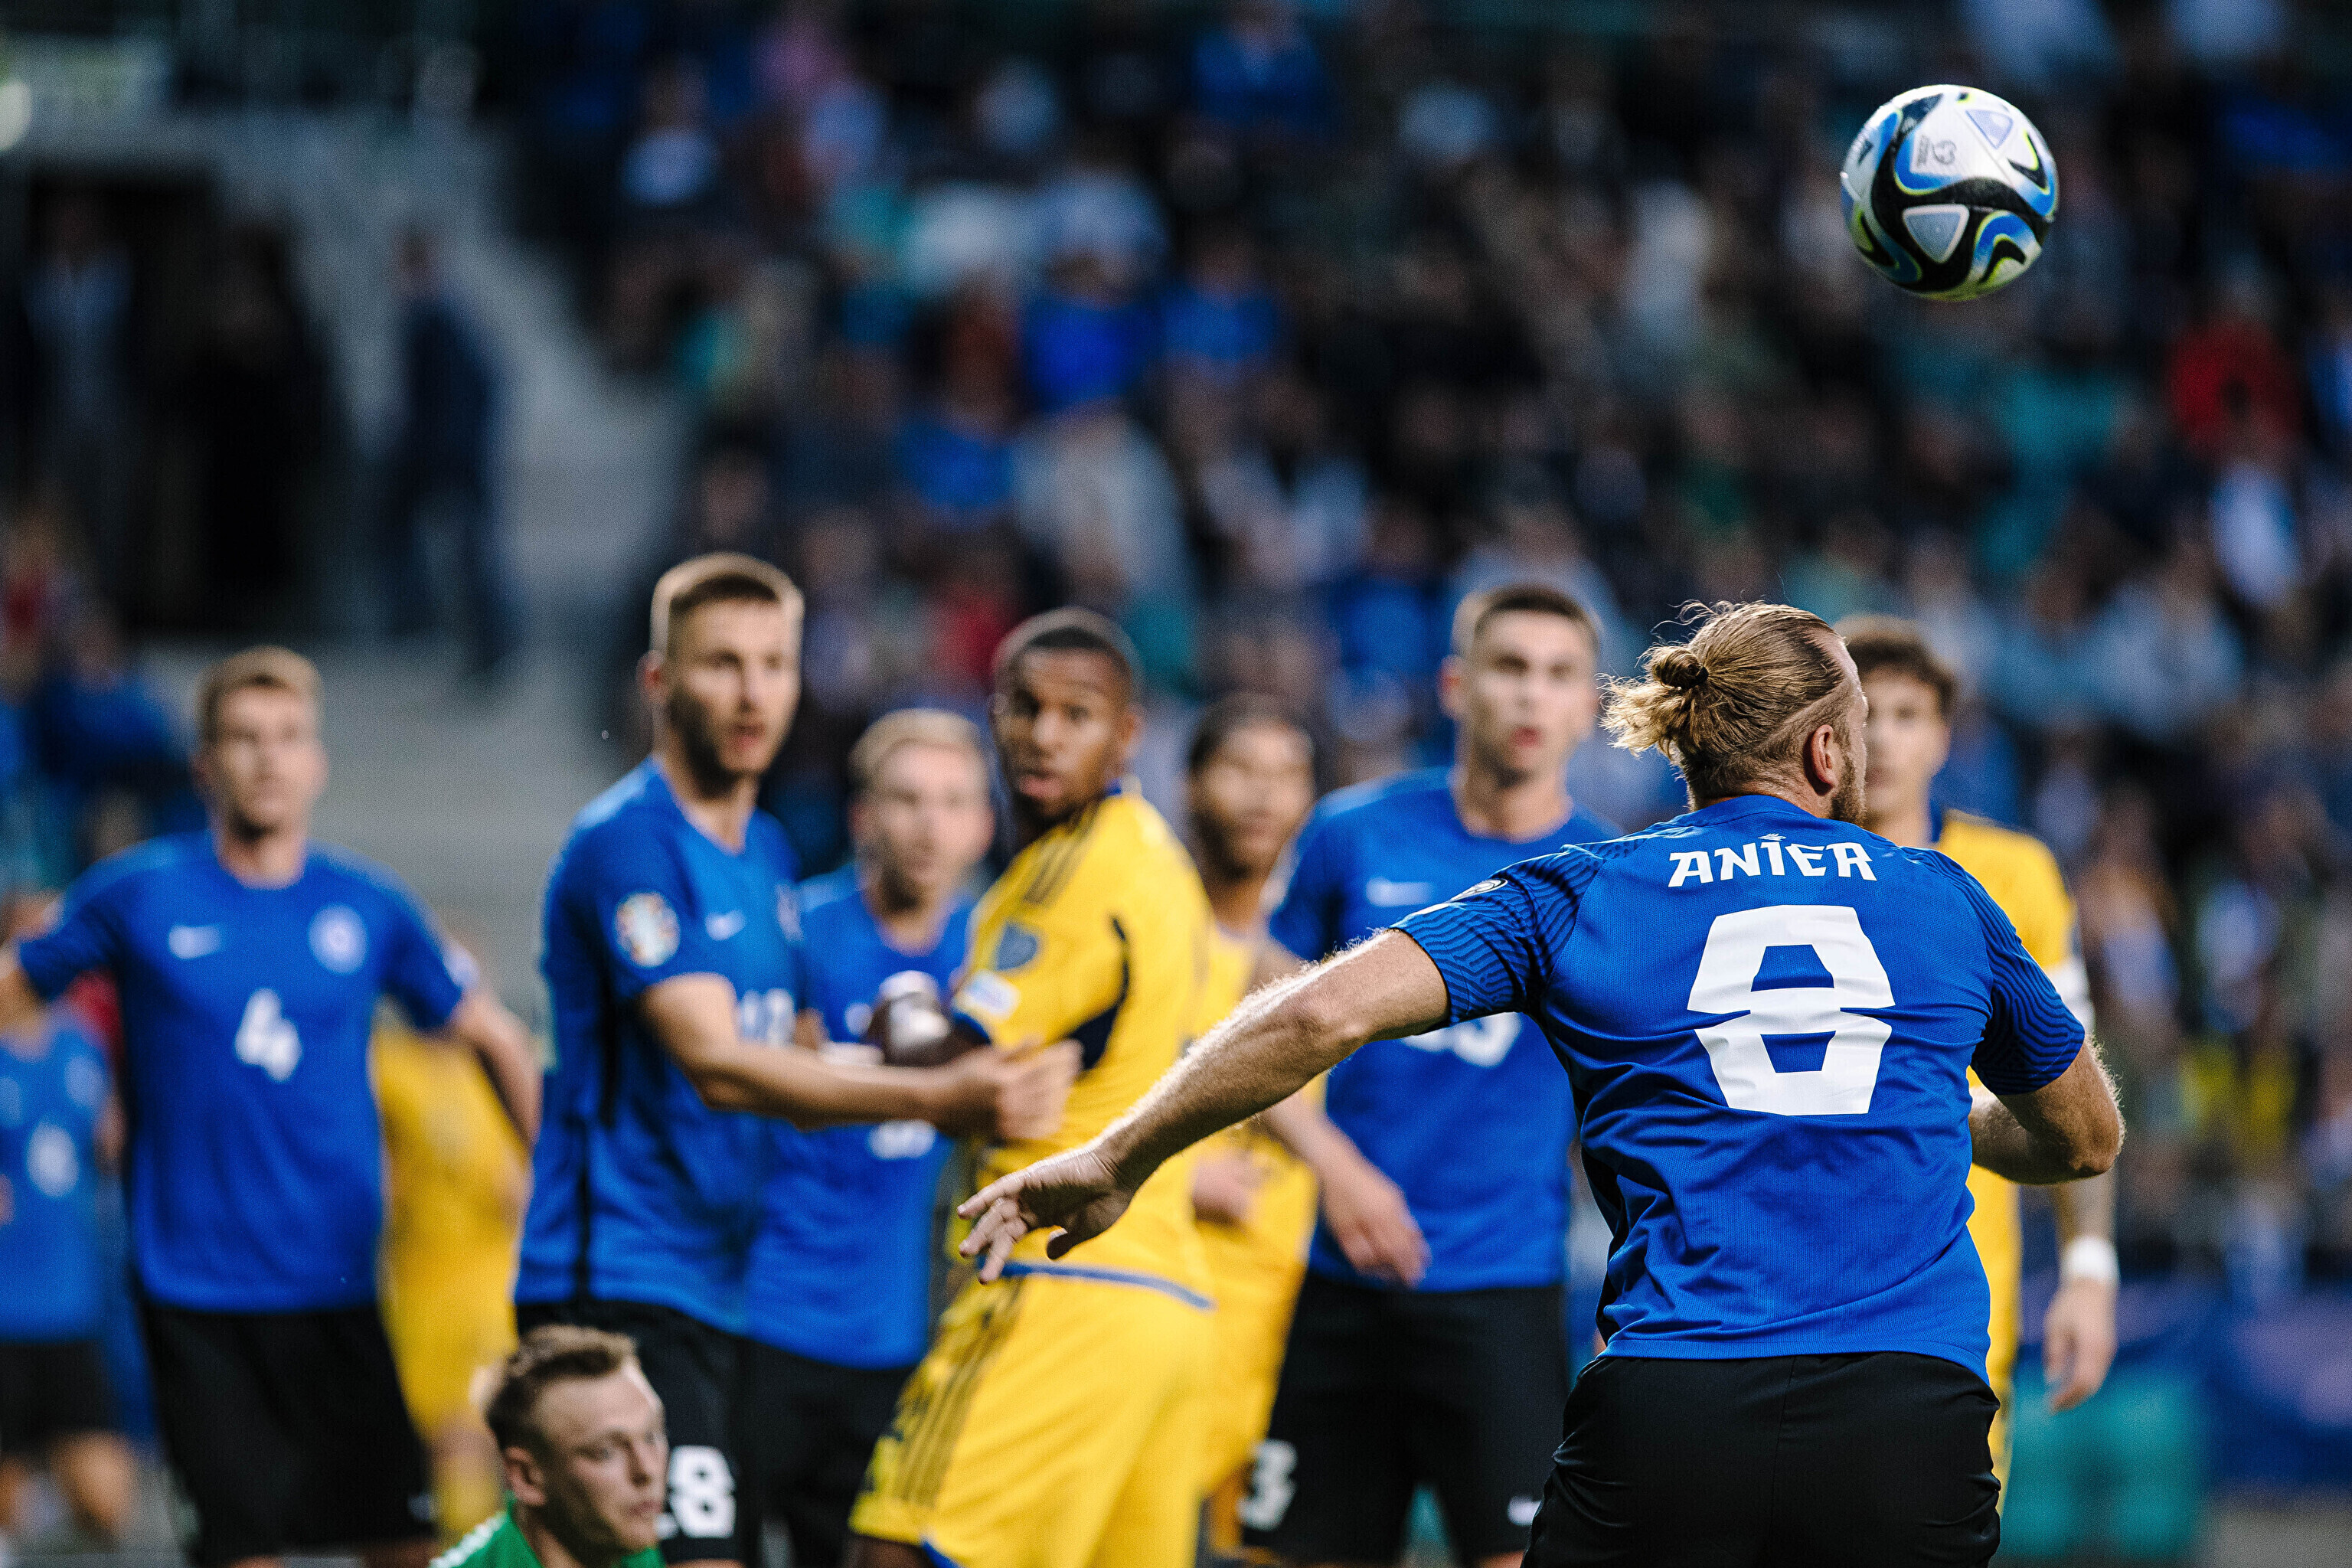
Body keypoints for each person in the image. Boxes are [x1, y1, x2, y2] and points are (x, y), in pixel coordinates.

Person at [959, 600, 2124, 1567]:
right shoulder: (1946, 896)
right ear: (1828, 751)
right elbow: (2084, 1138)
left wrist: (1116, 1156)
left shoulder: (1576, 892)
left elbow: (1315, 1012)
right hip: (1908, 1417)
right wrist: (1939, 1118)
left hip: (1675, 1406)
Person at [518, 555, 1073, 1568]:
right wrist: (938, 1093)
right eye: (721, 663)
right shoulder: (631, 844)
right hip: (623, 1281)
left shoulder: (766, 854)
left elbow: (791, 1068)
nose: (751, 693)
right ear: (659, 682)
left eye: (773, 664)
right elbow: (718, 1064)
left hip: (720, 1288)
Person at [0, 645, 543, 1568]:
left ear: (316, 761)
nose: (267, 757)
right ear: (204, 764)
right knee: (243, 1552)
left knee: (407, 1544)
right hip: (195, 1295)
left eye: (288, 736)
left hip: (339, 1288)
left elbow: (494, 1036)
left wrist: (556, 1179)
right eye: (244, 737)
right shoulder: (139, 893)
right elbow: (16, 987)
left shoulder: (367, 905)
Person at [1243, 583, 1615, 1568]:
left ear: (1589, 707)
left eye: (1559, 675)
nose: (1531, 694)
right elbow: (1252, 1032)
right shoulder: (1352, 832)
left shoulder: (1610, 874)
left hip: (1505, 1289)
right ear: (1456, 685)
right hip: (1342, 1278)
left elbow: (1640, 1100)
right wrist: (1335, 1167)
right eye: (1509, 666)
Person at [846, 609, 1217, 1568]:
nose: (1046, 734)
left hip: (1058, 1277)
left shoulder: (1070, 874)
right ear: (995, 715)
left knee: (897, 1550)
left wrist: (900, 1002)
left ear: (1126, 734)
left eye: (1077, 714)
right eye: (1026, 707)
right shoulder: (1158, 861)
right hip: (1167, 1299)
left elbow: (942, 1057)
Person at [1840, 616, 2120, 1468]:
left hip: (1959, 1306)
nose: (1883, 740)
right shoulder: (1765, 866)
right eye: (1863, 714)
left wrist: (2088, 1268)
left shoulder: (2015, 872)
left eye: (1906, 715)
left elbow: (2074, 1084)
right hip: (1783, 1303)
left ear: (1943, 736)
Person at [733, 709, 996, 1568]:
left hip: (896, 1341)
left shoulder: (994, 952)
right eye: (907, 799)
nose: (929, 825)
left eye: (953, 801)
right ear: (862, 817)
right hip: (761, 1317)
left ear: (983, 824)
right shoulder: (795, 930)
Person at [1179, 697, 1320, 1560]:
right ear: (1191, 783)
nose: (1264, 795)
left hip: (1286, 1322)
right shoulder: (1151, 931)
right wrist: (1178, 1177)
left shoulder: (1327, 954)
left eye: (1286, 774)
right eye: (1240, 769)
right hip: (1169, 1305)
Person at [0, 894, 134, 1549]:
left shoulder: (82, 1042)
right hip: (4, 1306)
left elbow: (109, 1141)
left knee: (107, 1504)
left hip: (70, 1302)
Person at [375, 986, 533, 1540]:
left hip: (494, 1278)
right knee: (455, 1436)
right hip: (430, 1280)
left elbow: (524, 1173)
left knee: (493, 1433)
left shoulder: (497, 1063)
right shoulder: (389, 1067)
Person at [381, 227, 518, 683]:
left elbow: (472, 391)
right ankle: (472, 641)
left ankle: (480, 643)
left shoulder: (440, 324)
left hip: (450, 462)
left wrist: (441, 453)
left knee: (468, 555)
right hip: (452, 460)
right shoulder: (442, 322)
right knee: (465, 553)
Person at [436, 1325, 669, 1568]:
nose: (647, 1470)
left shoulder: (630, 1541)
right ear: (526, 1476)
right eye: (605, 1452)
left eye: (651, 1436)